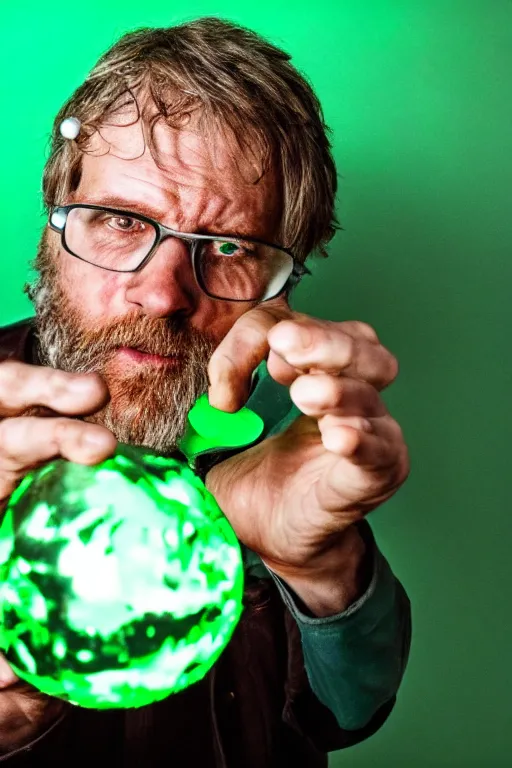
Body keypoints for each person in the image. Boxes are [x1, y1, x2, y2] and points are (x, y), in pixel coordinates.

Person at [0, 17, 411, 767]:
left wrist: (321, 568)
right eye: (121, 221)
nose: (161, 295)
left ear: (283, 286)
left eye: (227, 248)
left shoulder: (294, 434)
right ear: (53, 221)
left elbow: (349, 711)